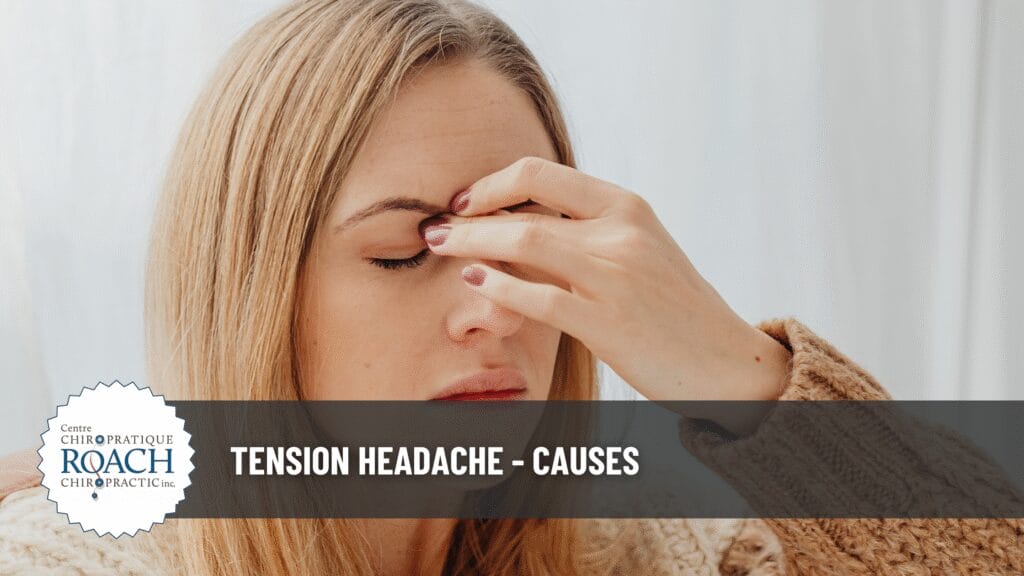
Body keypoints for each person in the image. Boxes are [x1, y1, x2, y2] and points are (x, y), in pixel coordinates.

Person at [1, 0, 1021, 574]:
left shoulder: (650, 544)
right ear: (250, 286)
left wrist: (738, 376)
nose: (495, 308)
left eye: (530, 243)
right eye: (405, 251)